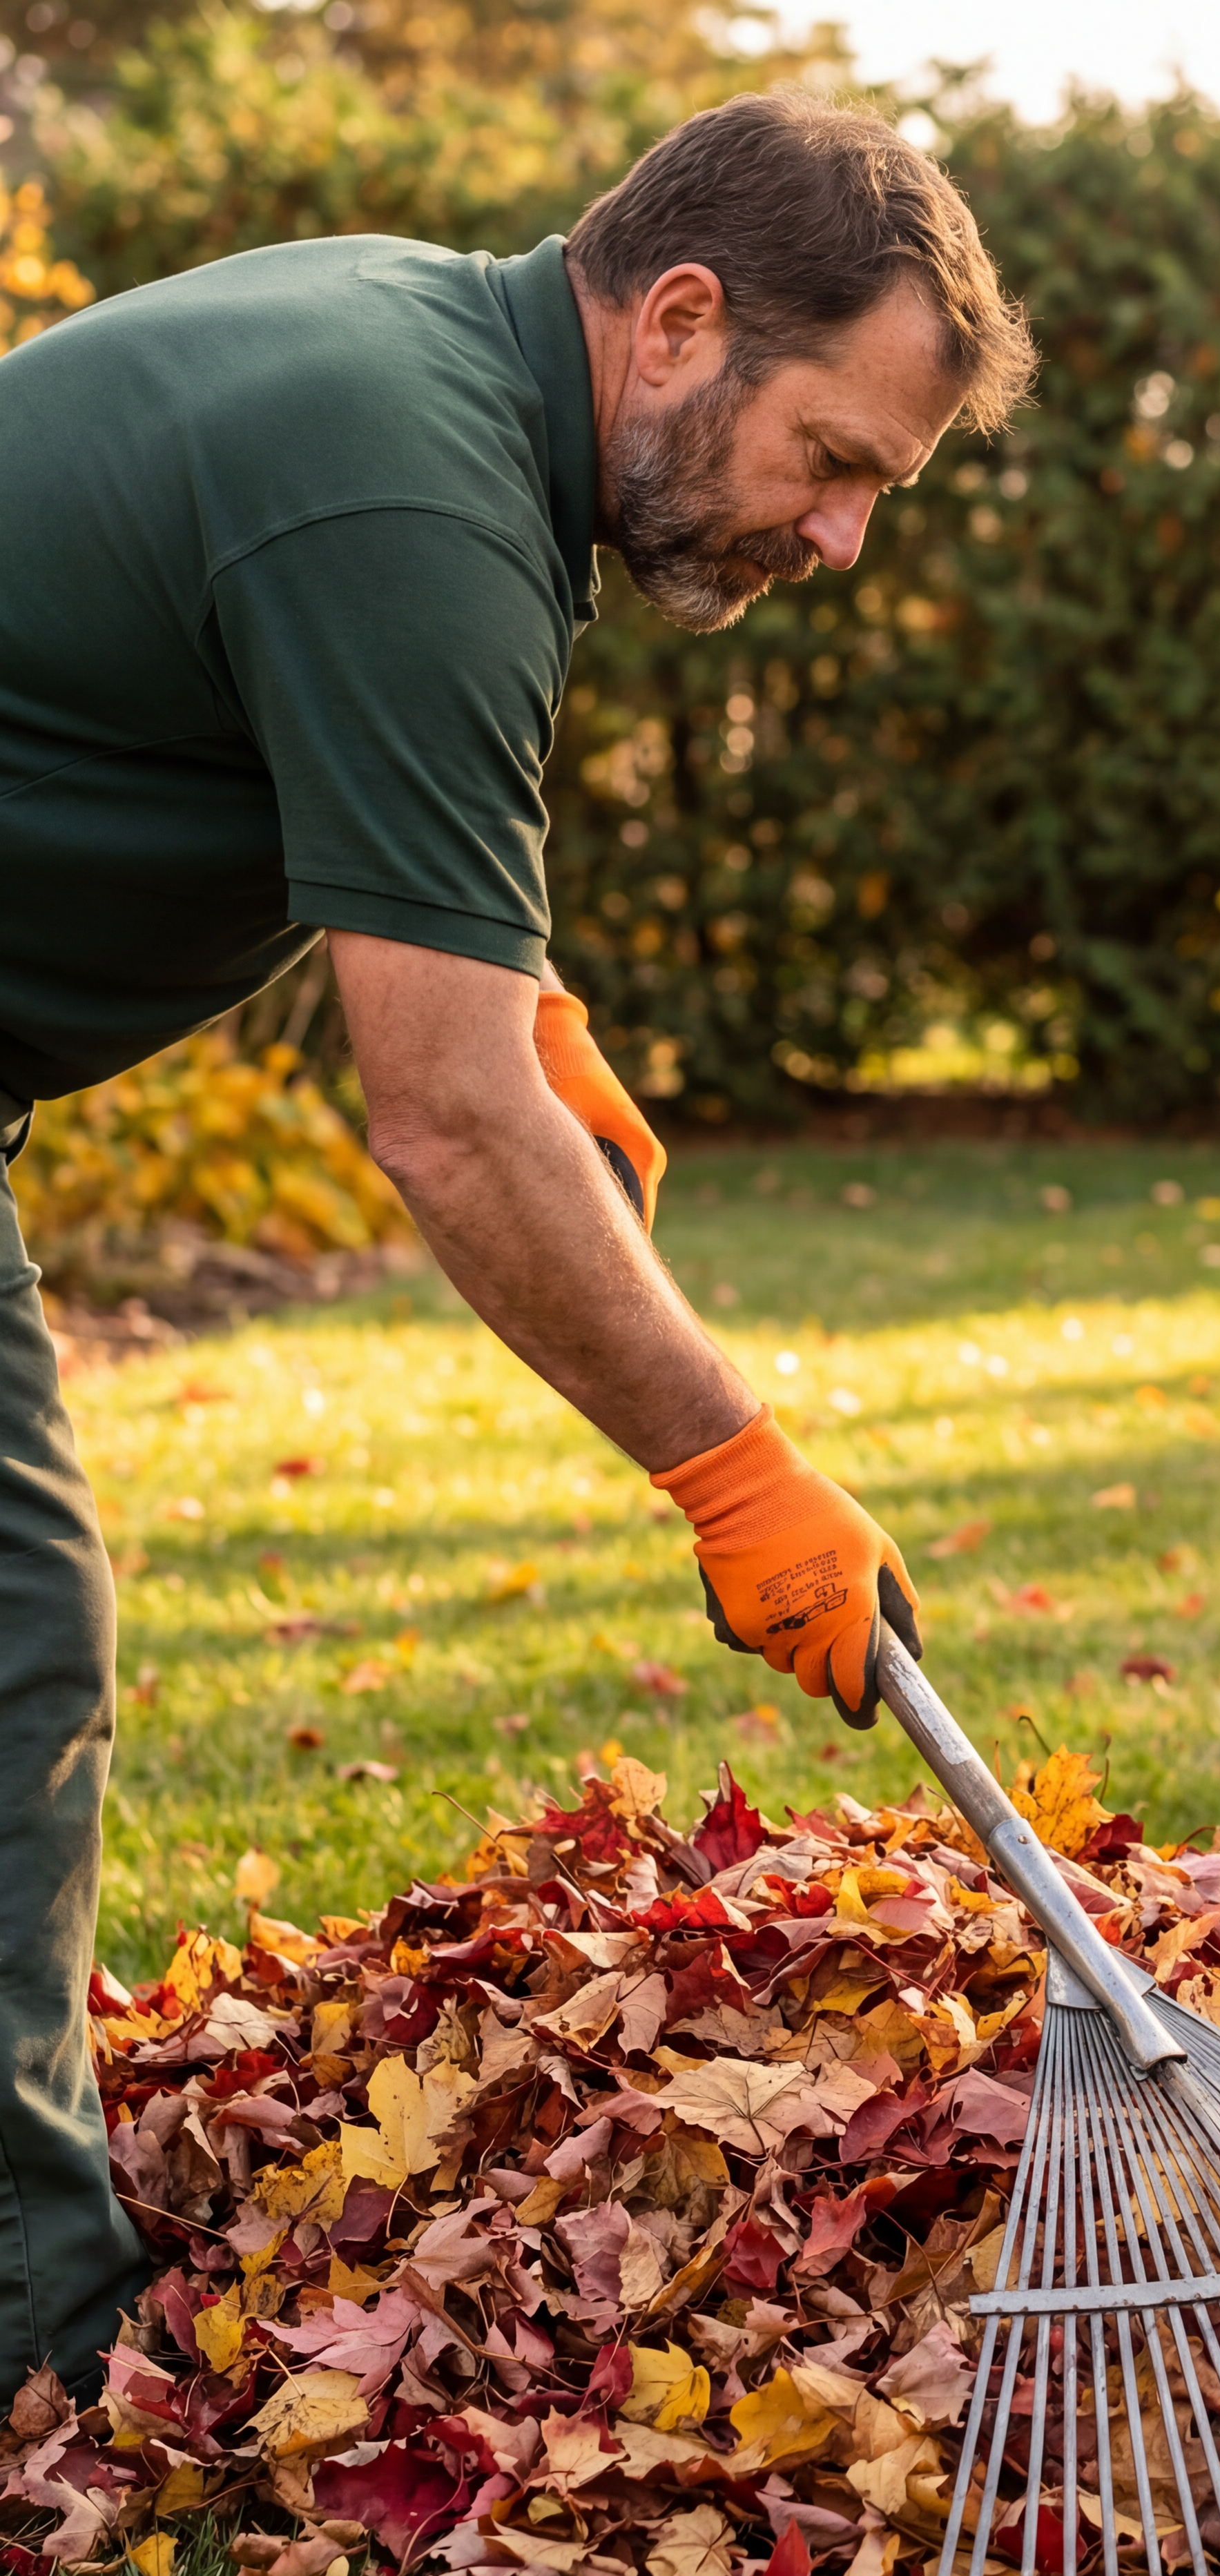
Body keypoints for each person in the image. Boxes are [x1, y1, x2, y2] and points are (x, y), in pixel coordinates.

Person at [0, 91, 1034, 2401]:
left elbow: (368, 833)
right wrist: (732, 1470)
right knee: (4, 1639)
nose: (848, 536)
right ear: (678, 321)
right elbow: (447, 1123)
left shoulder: (426, 369)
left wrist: (526, 995)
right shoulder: (414, 490)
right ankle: (36, 2353)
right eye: (835, 455)